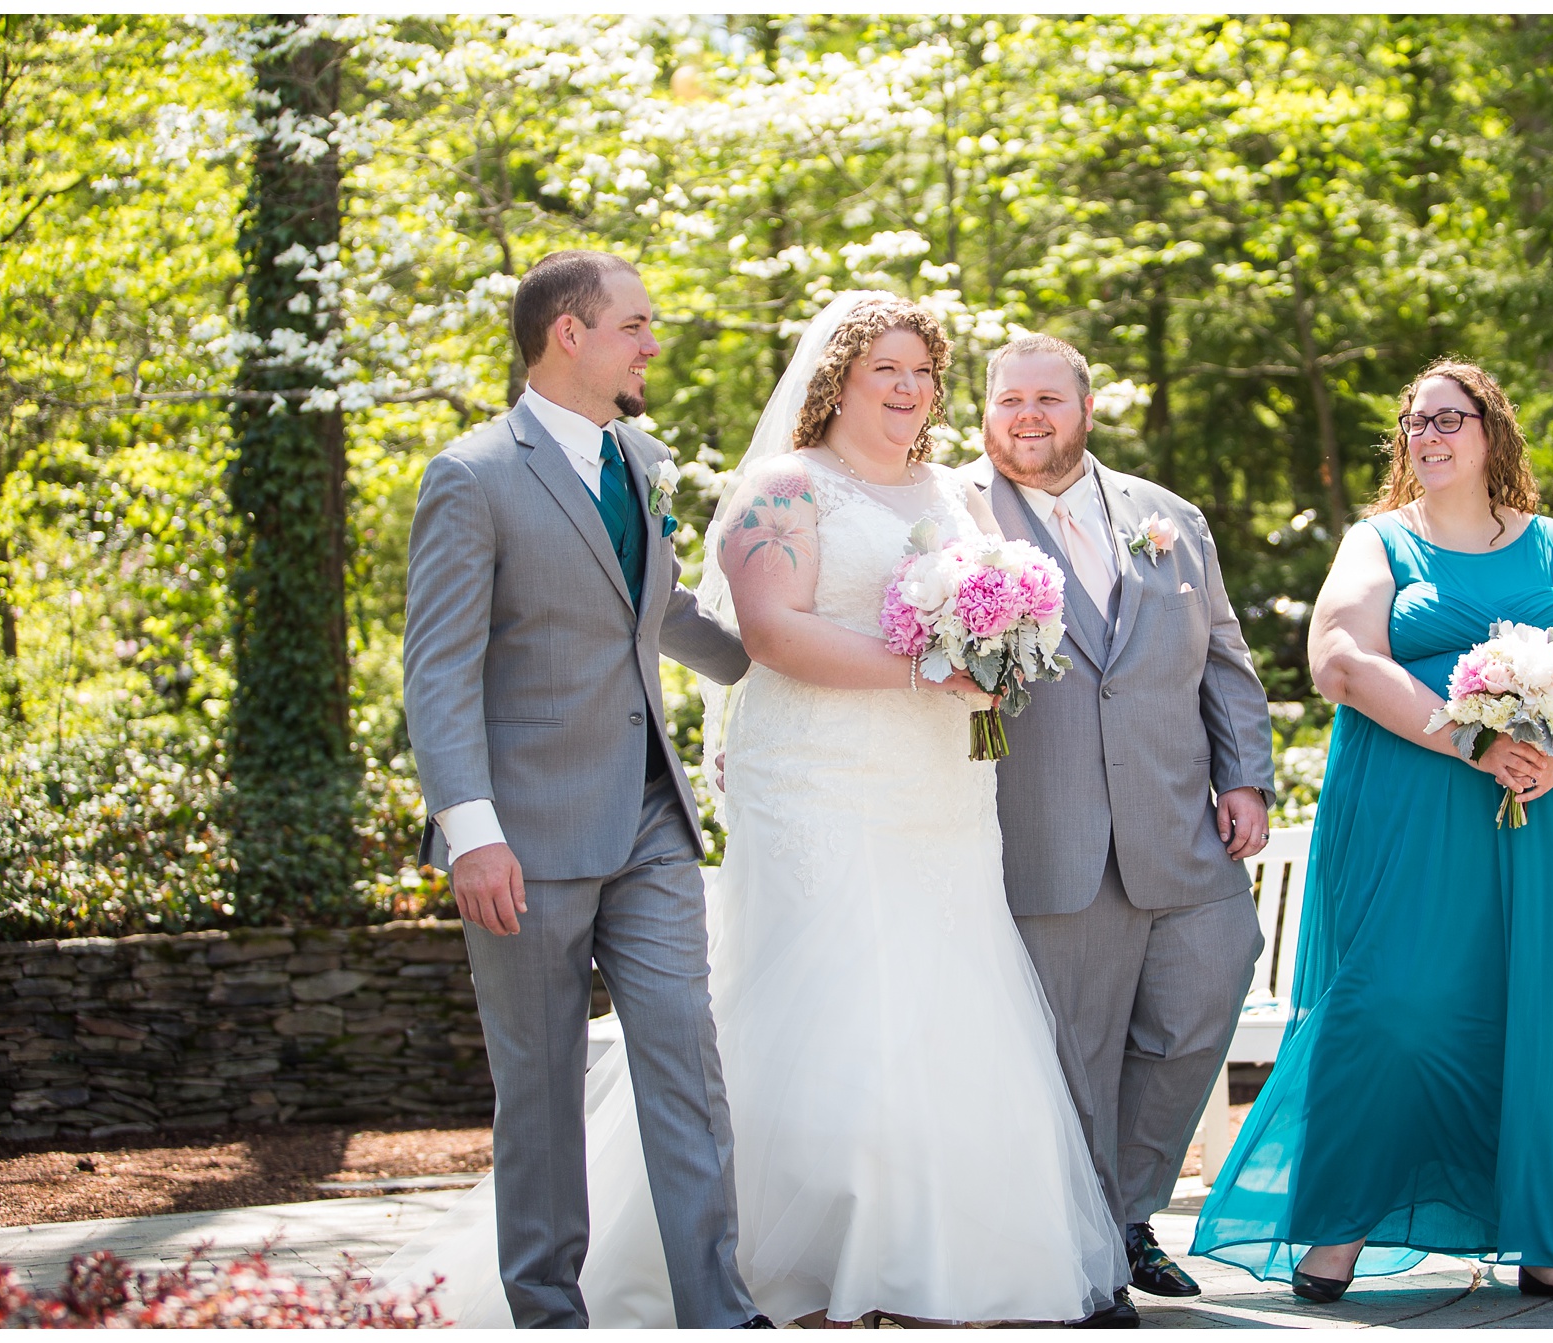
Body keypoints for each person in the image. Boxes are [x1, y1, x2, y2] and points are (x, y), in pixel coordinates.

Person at [385, 292, 1125, 1329]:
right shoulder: (757, 485)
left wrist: (988, 652)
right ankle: (600, 1295)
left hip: (924, 785)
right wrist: (916, 665)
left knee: (830, 1020)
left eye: (923, 372)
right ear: (837, 379)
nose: (909, 390)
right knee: (672, 1040)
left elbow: (674, 613)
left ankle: (807, 1282)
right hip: (788, 783)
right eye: (887, 371)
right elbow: (763, 635)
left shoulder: (915, 491)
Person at [1188, 359, 1553, 1300]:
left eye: (1451, 418)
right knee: (1389, 1002)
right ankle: (1336, 1229)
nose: (1430, 435)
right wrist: (1472, 739)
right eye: (1416, 422)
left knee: (1547, 1007)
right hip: (1410, 807)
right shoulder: (1379, 543)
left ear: (1494, 432)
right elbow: (1337, 658)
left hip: (1548, 807)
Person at [397, 249, 767, 1329]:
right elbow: (439, 671)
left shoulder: (640, 455)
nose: (654, 342)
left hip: (651, 820)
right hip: (524, 837)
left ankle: (720, 1310)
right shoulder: (471, 476)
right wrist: (472, 834)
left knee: (686, 1065)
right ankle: (548, 1313)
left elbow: (656, 604)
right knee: (543, 1096)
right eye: (635, 325)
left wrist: (778, 644)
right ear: (570, 332)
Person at [963, 335, 1278, 1327]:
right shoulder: (952, 513)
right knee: (1076, 1052)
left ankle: (1125, 1209)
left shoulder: (1166, 517)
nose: (1025, 414)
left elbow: (1223, 658)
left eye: (1045, 398)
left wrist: (1247, 777)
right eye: (1007, 398)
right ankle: (1089, 1250)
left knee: (1203, 998)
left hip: (1180, 823)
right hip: (1042, 827)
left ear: (1083, 408)